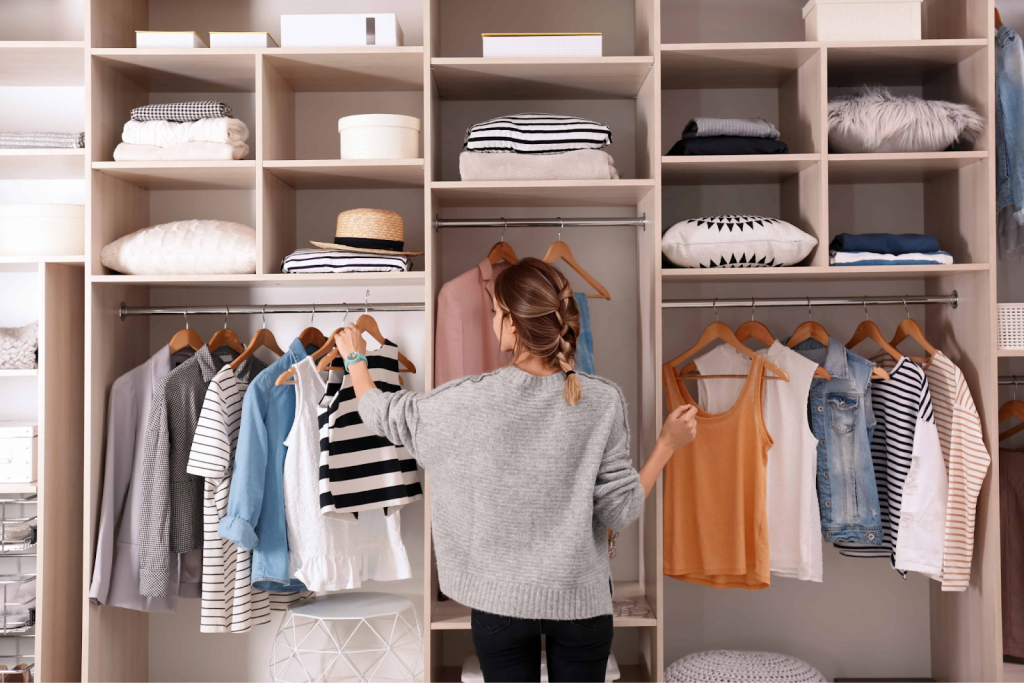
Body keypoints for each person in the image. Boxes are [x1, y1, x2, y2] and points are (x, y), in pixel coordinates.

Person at [334, 257, 697, 683]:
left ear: (510, 323)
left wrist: (356, 357)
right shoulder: (603, 401)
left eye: (494, 314)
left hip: (499, 604)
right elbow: (619, 511)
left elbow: (383, 415)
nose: (492, 322)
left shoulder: (468, 399)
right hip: (581, 602)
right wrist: (667, 445)